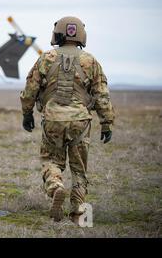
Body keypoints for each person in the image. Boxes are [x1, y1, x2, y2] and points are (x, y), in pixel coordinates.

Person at [20, 16, 115, 223]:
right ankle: (79, 214)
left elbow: (30, 89)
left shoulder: (46, 58)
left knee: (51, 161)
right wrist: (107, 122)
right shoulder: (90, 61)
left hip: (53, 119)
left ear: (57, 34)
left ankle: (56, 187)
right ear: (81, 35)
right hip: (81, 122)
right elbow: (101, 94)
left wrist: (27, 114)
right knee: (79, 170)